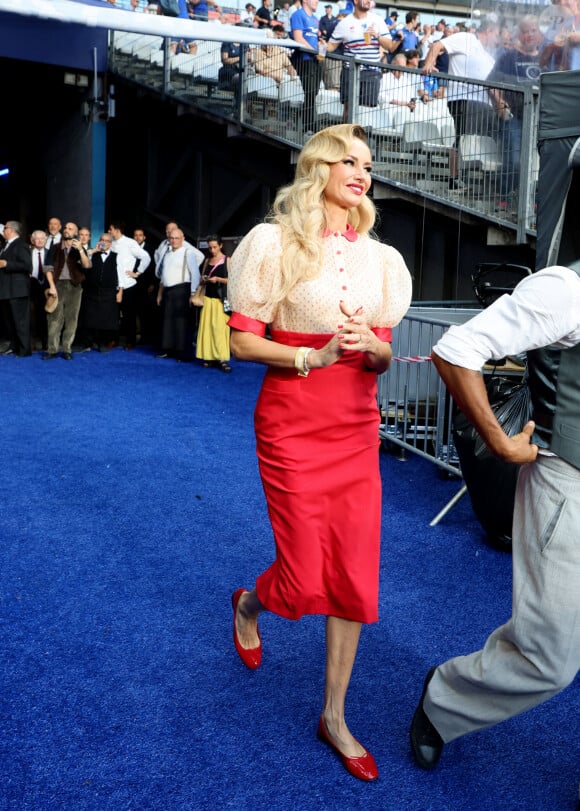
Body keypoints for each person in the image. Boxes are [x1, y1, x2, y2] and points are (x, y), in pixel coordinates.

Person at [227, 124, 412, 781]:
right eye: (349, 159)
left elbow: (387, 354)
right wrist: (315, 353)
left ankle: (334, 715)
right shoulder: (273, 243)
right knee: (304, 577)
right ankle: (251, 602)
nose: (361, 171)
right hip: (292, 422)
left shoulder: (381, 260)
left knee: (355, 576)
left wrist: (369, 346)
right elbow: (243, 343)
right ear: (321, 167)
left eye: (368, 163)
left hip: (356, 425)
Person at [410, 258, 580, 778]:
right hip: (567, 482)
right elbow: (456, 350)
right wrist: (500, 442)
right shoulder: (567, 289)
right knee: (546, 657)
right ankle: (447, 697)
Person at [422, 17, 502, 192]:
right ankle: (455, 178)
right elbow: (437, 45)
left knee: (485, 140)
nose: (497, 40)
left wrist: (499, 105)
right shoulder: (467, 38)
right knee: (462, 137)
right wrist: (429, 63)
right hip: (463, 99)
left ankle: (480, 180)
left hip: (484, 104)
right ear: (489, 30)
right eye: (496, 34)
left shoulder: (488, 55)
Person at [327, 0, 395, 117]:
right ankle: (347, 135)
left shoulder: (377, 20)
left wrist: (377, 36)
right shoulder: (344, 23)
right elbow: (331, 45)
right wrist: (321, 46)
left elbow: (389, 45)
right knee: (348, 109)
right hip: (350, 71)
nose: (369, 1)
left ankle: (361, 135)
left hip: (371, 72)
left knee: (366, 112)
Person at [43, 221, 90, 360]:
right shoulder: (55, 247)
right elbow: (47, 268)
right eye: (65, 228)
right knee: (54, 318)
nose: (66, 230)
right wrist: (51, 286)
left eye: (70, 228)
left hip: (75, 286)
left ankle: (66, 349)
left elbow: (87, 266)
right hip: (57, 285)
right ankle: (52, 349)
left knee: (71, 319)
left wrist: (81, 249)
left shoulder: (79, 249)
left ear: (75, 232)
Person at [156, 228, 203, 361]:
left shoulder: (188, 253)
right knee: (167, 322)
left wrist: (193, 293)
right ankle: (168, 349)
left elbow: (195, 274)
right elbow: (163, 276)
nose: (174, 241)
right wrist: (160, 294)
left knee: (181, 323)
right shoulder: (167, 254)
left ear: (183, 239)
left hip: (182, 290)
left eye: (177, 238)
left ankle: (183, 353)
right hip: (168, 291)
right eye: (171, 238)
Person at [108, 220, 151, 350]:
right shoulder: (112, 243)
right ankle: (113, 340)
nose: (109, 232)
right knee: (113, 314)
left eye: (110, 229)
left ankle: (130, 341)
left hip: (128, 285)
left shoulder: (130, 243)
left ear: (117, 229)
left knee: (129, 315)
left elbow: (146, 257)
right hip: (113, 284)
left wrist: (138, 272)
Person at [82, 233, 124, 352]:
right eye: (102, 240)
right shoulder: (92, 253)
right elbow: (83, 262)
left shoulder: (117, 256)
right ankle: (89, 343)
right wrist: (94, 250)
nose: (104, 242)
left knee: (106, 318)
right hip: (92, 291)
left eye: (106, 241)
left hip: (109, 291)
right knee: (90, 317)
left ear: (110, 244)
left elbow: (120, 274)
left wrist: (120, 291)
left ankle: (104, 343)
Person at [195, 235, 231, 372]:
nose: (212, 250)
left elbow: (232, 280)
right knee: (207, 329)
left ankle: (222, 358)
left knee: (221, 330)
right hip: (208, 299)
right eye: (210, 247)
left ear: (221, 245)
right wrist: (204, 279)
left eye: (215, 247)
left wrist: (218, 279)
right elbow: (201, 279)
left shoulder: (227, 260)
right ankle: (208, 356)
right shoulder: (207, 261)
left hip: (220, 300)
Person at [290, 0, 324, 135]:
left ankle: (306, 121)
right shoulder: (298, 15)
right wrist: (313, 51)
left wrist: (321, 48)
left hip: (316, 60)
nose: (317, 1)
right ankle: (309, 127)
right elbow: (298, 38)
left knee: (313, 94)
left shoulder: (316, 19)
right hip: (305, 60)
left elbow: (315, 38)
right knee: (310, 93)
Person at [0, 221, 32, 357]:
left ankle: (24, 350)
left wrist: (7, 263)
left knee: (20, 322)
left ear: (12, 230)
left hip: (17, 290)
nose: (3, 230)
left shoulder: (21, 245)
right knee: (10, 322)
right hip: (7, 290)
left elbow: (27, 266)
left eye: (5, 228)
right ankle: (15, 347)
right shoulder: (6, 246)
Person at [29, 229, 50, 351]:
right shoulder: (27, 252)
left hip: (46, 288)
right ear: (33, 240)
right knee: (31, 316)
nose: (40, 241)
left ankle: (45, 342)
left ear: (46, 240)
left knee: (45, 316)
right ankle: (31, 343)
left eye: (43, 238)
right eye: (37, 238)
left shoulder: (50, 252)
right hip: (31, 287)